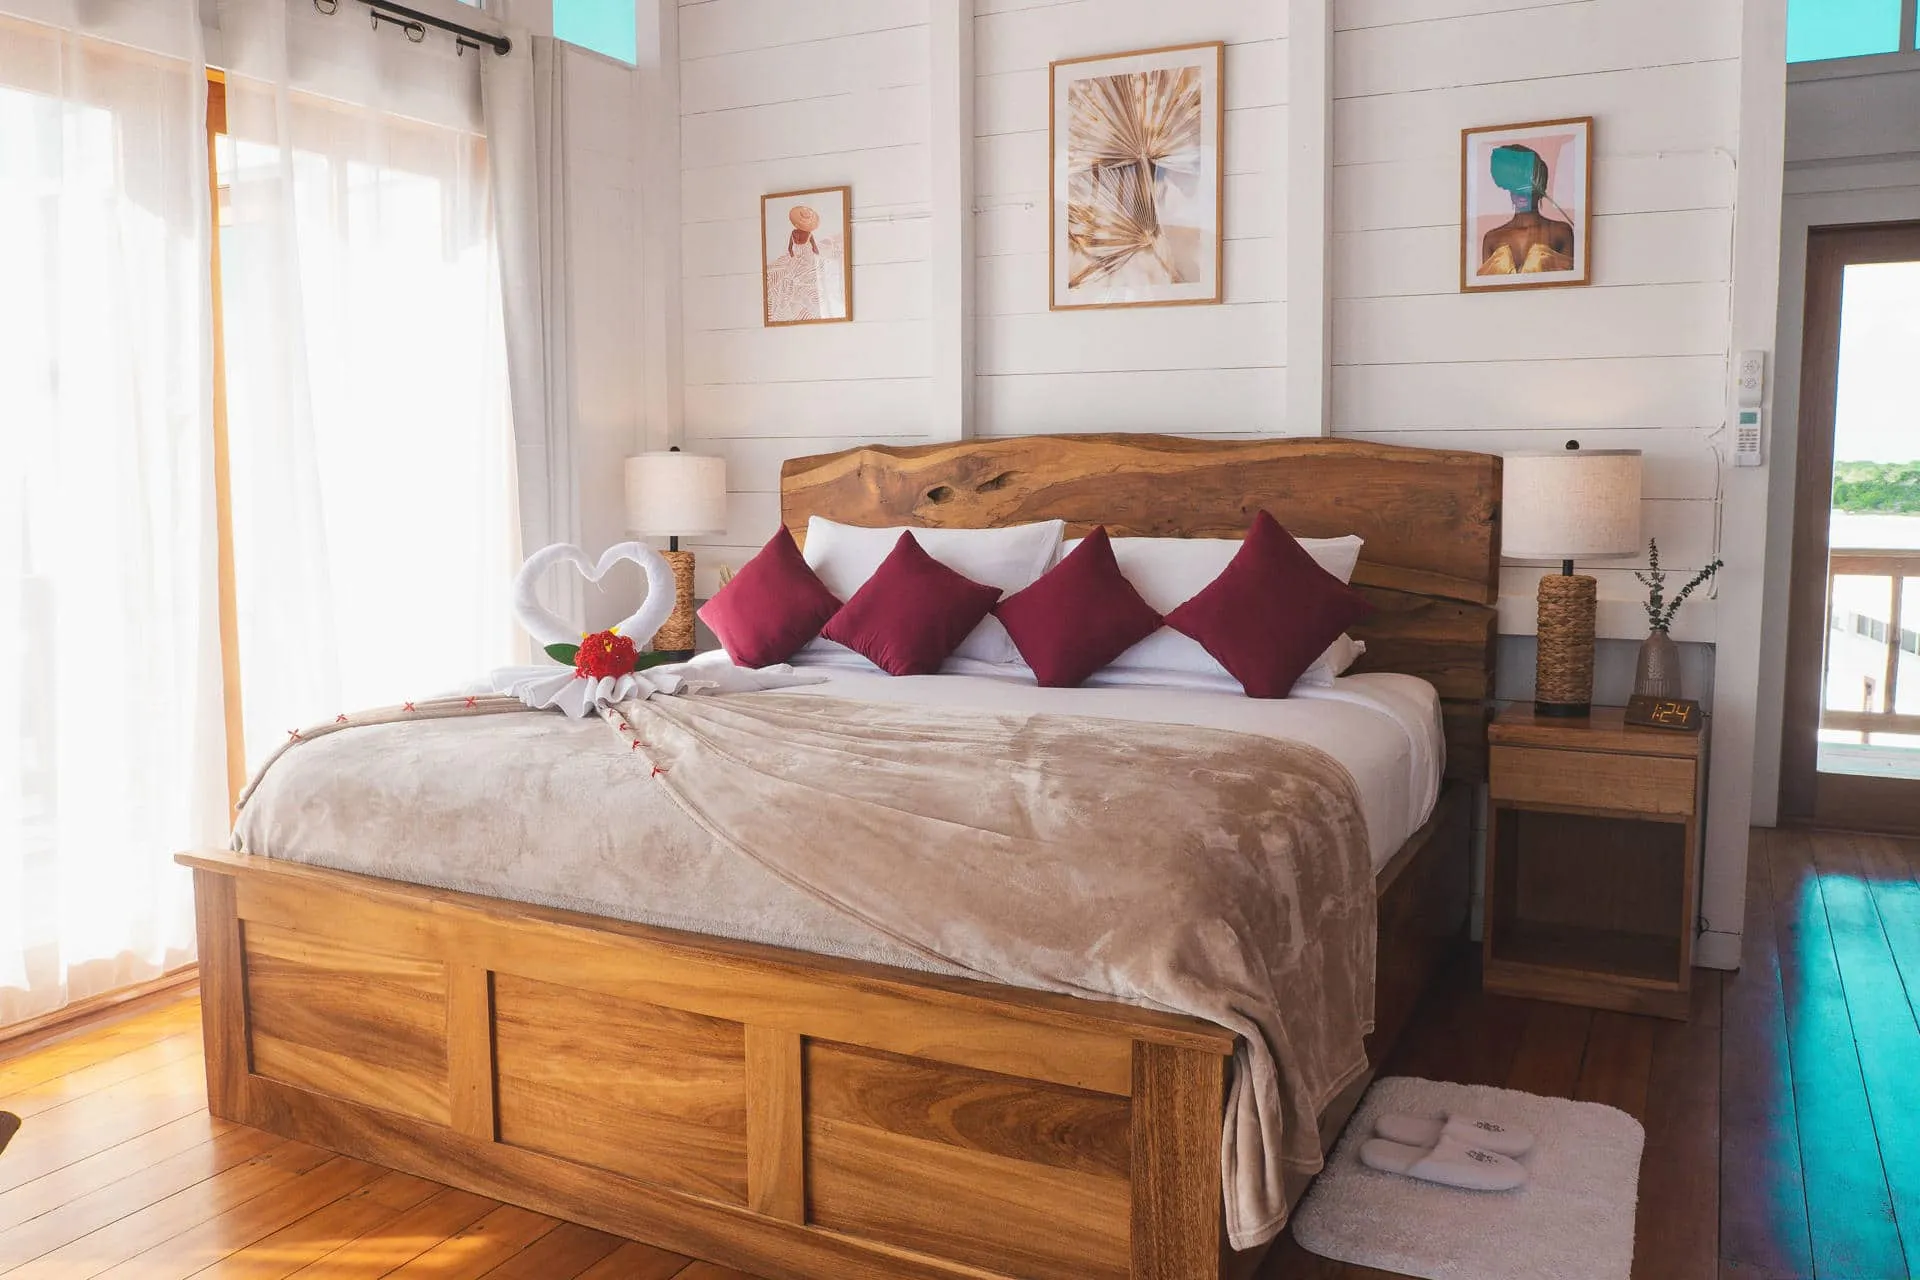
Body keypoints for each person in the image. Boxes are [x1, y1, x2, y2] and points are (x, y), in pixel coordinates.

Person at [1478, 144, 1575, 276]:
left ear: (1540, 188)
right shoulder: (1492, 238)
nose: (1522, 194)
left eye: (1527, 187)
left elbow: (1572, 287)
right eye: (1516, 186)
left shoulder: (1560, 232)